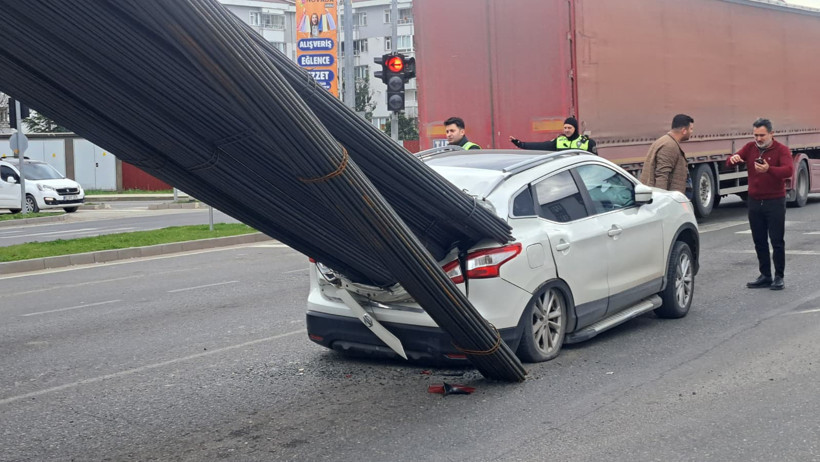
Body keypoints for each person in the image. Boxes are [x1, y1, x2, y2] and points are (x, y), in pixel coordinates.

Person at [727, 118, 793, 290]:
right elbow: (731, 161)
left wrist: (769, 169)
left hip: (775, 201)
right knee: (759, 240)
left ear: (771, 133)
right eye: (756, 135)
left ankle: (779, 276)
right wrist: (733, 159)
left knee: (777, 240)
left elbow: (788, 170)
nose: (758, 138)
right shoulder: (750, 148)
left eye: (762, 135)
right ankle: (765, 275)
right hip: (755, 201)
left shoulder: (781, 150)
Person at [639, 114, 694, 193]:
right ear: (684, 131)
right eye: (691, 129)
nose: (691, 132)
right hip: (667, 199)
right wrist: (663, 199)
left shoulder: (666, 141)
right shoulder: (669, 146)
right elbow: (662, 176)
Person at [508, 117, 597, 154]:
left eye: (569, 128)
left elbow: (595, 163)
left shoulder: (587, 143)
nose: (566, 130)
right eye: (565, 128)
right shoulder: (559, 141)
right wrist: (520, 144)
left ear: (575, 129)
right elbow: (539, 146)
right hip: (565, 177)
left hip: (584, 177)